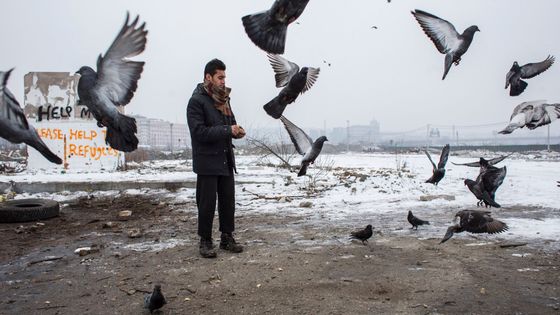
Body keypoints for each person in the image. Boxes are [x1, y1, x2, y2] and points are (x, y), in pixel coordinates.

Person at [186, 58, 246, 258]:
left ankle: (227, 238)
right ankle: (205, 241)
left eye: (224, 77)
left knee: (228, 201)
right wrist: (227, 130)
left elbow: (230, 123)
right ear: (208, 77)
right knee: (206, 204)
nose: (223, 81)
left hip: (225, 159)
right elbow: (199, 133)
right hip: (206, 162)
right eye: (220, 77)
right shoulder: (196, 102)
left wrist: (236, 131)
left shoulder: (224, 99)